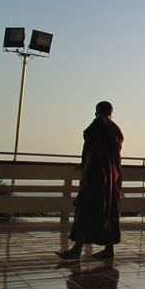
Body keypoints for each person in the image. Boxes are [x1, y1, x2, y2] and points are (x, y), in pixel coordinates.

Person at [57, 101, 124, 260]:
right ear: (111, 112)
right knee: (109, 211)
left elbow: (93, 150)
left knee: (87, 210)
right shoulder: (115, 130)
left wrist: (86, 168)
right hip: (113, 177)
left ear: (97, 112)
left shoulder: (97, 125)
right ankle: (109, 249)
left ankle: (77, 249)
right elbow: (111, 154)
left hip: (97, 177)